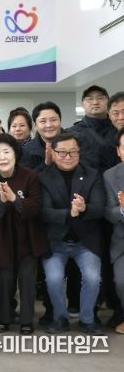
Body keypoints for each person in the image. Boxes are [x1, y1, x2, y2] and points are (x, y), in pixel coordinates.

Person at [0, 134, 48, 334]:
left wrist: (15, 199)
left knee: (27, 278)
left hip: (28, 237)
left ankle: (27, 319)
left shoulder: (30, 176)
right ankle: (5, 317)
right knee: (3, 279)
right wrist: (2, 202)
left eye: (6, 152)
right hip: (1, 238)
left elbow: (35, 207)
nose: (2, 157)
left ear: (15, 153)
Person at [40, 132, 105, 334]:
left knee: (92, 277)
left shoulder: (92, 174)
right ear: (52, 153)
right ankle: (60, 318)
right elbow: (44, 212)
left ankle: (87, 319)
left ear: (79, 152)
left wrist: (84, 208)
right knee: (54, 279)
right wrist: (69, 213)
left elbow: (100, 208)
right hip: (55, 241)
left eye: (73, 152)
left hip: (85, 241)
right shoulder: (43, 177)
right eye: (62, 152)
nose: (68, 157)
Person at [104, 128, 124, 334]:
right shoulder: (110, 176)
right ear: (118, 151)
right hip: (122, 242)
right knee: (121, 281)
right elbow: (109, 213)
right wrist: (123, 210)